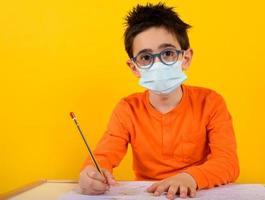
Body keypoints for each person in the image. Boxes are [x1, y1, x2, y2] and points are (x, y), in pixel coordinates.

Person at [78, 2, 239, 199]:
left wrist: (190, 178)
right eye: (146, 57)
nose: (158, 64)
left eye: (168, 53)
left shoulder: (211, 102)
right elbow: (103, 156)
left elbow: (228, 162)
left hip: (197, 192)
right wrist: (91, 173)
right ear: (134, 67)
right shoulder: (128, 109)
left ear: (186, 58)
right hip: (149, 195)